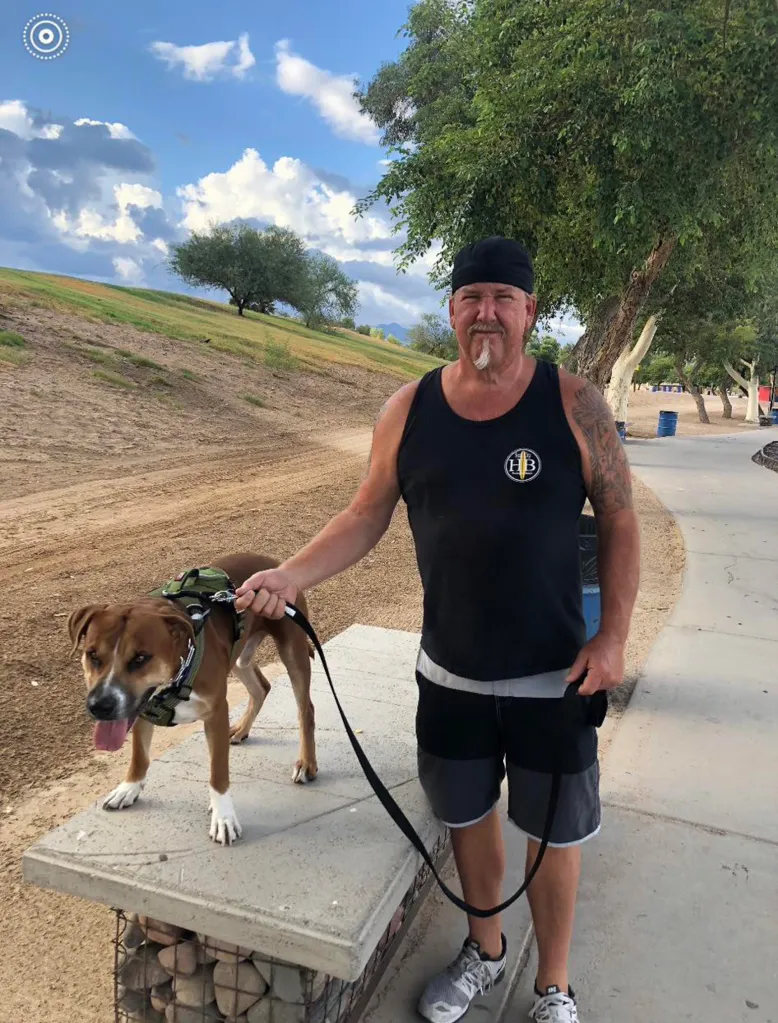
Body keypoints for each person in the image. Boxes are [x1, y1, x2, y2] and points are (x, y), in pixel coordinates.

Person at [235, 237, 640, 1023]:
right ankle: (485, 951)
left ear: (530, 310)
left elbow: (621, 520)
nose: (486, 311)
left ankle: (553, 983)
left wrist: (613, 634)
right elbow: (365, 514)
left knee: (553, 832)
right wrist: (290, 575)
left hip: (556, 674)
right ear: (451, 310)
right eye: (471, 297)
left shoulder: (574, 402)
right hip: (450, 671)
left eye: (503, 297)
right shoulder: (407, 409)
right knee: (465, 817)